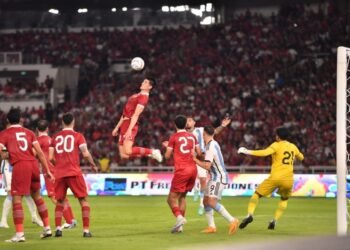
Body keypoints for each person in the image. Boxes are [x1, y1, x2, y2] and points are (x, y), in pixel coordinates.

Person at [0, 108, 54, 243]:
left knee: (16, 199)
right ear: (21, 119)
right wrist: (47, 170)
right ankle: (47, 228)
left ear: (8, 120)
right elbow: (40, 153)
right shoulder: (29, 133)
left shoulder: (4, 134)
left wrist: (5, 155)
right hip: (33, 165)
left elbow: (1, 151)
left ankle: (19, 234)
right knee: (37, 197)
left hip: (20, 165)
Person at [237, 126, 304, 230]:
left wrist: (247, 151)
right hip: (288, 179)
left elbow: (264, 153)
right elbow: (301, 157)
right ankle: (274, 221)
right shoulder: (293, 147)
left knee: (257, 195)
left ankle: (249, 215)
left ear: (278, 136)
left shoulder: (276, 145)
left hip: (275, 177)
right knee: (284, 199)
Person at [49, 113, 98, 238]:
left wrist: (59, 165)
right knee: (83, 200)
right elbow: (86, 154)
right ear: (73, 122)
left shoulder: (55, 137)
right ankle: (86, 231)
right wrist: (92, 164)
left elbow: (50, 157)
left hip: (59, 173)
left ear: (62, 122)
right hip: (73, 172)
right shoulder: (78, 136)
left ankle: (58, 229)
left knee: (59, 202)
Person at [193, 125, 240, 234]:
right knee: (205, 201)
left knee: (211, 201)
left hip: (218, 178)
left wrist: (195, 159)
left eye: (203, 135)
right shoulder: (213, 143)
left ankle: (232, 220)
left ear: (204, 135)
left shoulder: (210, 147)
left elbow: (207, 166)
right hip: (214, 177)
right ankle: (212, 227)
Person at [163, 115, 202, 233]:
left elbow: (167, 156)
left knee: (171, 199)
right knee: (182, 197)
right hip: (193, 170)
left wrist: (168, 147)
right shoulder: (192, 136)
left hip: (182, 170)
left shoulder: (173, 137)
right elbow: (199, 153)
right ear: (185, 124)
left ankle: (180, 218)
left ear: (175, 125)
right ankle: (180, 227)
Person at [186, 114, 231, 215]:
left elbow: (214, 132)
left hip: (202, 158)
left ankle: (202, 204)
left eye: (190, 120)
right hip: (189, 159)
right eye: (186, 121)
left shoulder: (201, 130)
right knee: (189, 177)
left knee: (203, 181)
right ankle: (196, 190)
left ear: (194, 122)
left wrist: (222, 126)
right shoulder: (182, 134)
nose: (187, 122)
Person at [36, 119, 77, 229]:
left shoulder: (38, 141)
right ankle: (72, 219)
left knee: (54, 197)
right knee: (61, 196)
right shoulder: (51, 139)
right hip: (57, 168)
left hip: (49, 171)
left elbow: (35, 154)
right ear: (47, 129)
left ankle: (69, 221)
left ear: (36, 129)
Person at [111, 77, 162, 163]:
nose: (142, 83)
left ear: (150, 87)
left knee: (128, 151)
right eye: (143, 81)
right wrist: (117, 127)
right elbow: (124, 114)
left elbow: (136, 115)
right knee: (123, 155)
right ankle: (148, 153)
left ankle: (153, 151)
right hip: (124, 123)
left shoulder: (144, 98)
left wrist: (129, 130)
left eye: (145, 82)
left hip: (130, 124)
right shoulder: (135, 95)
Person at [0, 147, 43, 229]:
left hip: (20, 166)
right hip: (8, 168)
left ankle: (34, 217)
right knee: (11, 193)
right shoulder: (7, 138)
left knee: (28, 193)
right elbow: (4, 154)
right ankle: (3, 220)